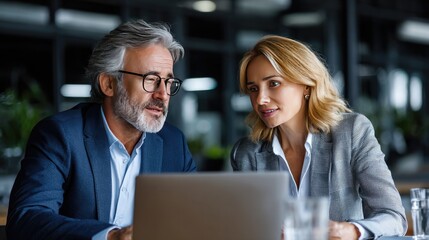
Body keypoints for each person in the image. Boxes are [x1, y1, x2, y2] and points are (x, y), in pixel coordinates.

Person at [6, 19, 196, 240]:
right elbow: (27, 219)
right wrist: (110, 236)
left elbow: (194, 217)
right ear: (108, 84)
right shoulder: (61, 135)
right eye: (151, 79)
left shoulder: (174, 143)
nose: (162, 94)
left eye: (169, 82)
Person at [230, 35, 407, 240]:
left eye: (274, 83)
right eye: (253, 89)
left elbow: (394, 217)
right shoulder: (246, 152)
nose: (261, 99)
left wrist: (351, 231)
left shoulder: (351, 132)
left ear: (306, 85)